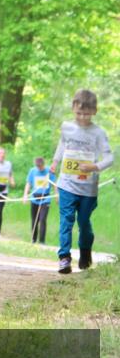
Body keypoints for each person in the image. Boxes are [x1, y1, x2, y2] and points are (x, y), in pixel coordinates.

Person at [50, 89, 113, 273]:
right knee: (66, 220)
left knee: (84, 222)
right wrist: (55, 161)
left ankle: (85, 252)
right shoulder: (67, 127)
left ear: (94, 111)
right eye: (79, 113)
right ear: (73, 109)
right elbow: (62, 144)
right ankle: (64, 257)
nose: (83, 117)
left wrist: (94, 167)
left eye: (86, 113)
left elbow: (109, 158)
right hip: (67, 184)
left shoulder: (98, 133)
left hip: (88, 187)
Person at [23, 156, 55, 245]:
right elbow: (28, 183)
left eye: (40, 167)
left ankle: (42, 241)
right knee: (34, 220)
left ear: (43, 164)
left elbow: (54, 184)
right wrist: (25, 195)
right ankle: (33, 239)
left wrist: (57, 197)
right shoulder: (32, 171)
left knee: (42, 219)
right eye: (38, 167)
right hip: (34, 198)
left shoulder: (49, 171)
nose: (39, 168)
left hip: (45, 199)